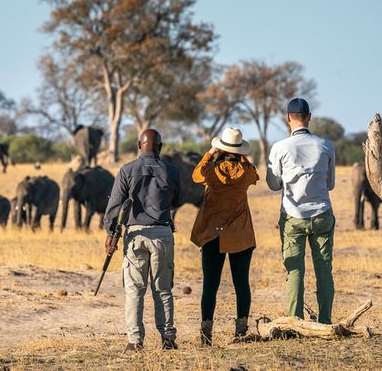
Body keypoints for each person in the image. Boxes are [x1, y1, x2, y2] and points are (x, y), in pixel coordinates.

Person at [102, 129, 182, 352]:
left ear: (139, 144)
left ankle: (135, 341)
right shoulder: (172, 171)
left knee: (135, 289)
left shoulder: (127, 170)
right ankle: (168, 338)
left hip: (135, 235)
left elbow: (115, 205)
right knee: (163, 289)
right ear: (161, 146)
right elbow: (179, 199)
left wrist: (111, 233)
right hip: (163, 234)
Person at [266, 98, 336, 324]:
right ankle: (325, 321)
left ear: (288, 118)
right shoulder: (326, 145)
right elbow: (331, 184)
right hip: (322, 214)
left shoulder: (279, 148)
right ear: (309, 117)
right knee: (324, 270)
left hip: (292, 216)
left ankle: (294, 321)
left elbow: (273, 184)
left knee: (294, 271)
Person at [190, 127, 259, 346]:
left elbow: (196, 175)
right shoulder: (247, 171)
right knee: (242, 284)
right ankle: (240, 331)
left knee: (210, 285)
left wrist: (211, 152)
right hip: (240, 235)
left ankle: (206, 333)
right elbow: (255, 175)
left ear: (221, 148)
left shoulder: (211, 171)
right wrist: (242, 157)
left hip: (212, 234)